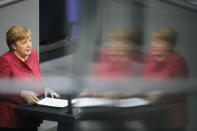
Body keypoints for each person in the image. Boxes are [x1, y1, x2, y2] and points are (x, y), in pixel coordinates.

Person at [0, 25, 60, 131]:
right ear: (14, 46)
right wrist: (21, 93)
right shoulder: (5, 60)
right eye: (24, 43)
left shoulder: (33, 54)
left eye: (30, 41)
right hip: (12, 119)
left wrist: (44, 88)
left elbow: (36, 78)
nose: (29, 45)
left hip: (32, 114)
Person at [143, 26, 189, 131]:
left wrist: (161, 94)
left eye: (159, 42)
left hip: (171, 117)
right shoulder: (149, 56)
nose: (154, 45)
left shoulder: (178, 61)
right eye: (154, 41)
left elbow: (180, 90)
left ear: (170, 45)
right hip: (151, 114)